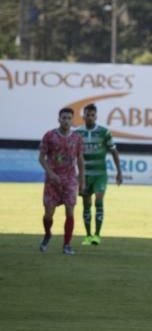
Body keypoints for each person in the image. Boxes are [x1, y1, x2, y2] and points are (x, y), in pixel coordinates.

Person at [38, 107, 85, 255]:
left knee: (70, 212)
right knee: (48, 214)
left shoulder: (77, 138)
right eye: (63, 118)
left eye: (69, 118)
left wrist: (82, 181)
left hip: (70, 180)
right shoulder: (50, 136)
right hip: (53, 181)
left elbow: (80, 160)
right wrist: (51, 173)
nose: (66, 120)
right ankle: (47, 234)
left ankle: (67, 245)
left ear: (72, 120)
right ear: (59, 119)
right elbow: (41, 158)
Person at [76, 103, 123, 245]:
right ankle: (88, 235)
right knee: (86, 205)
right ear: (83, 116)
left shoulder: (104, 132)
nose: (90, 117)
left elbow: (114, 151)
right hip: (85, 175)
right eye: (87, 115)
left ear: (96, 116)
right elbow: (74, 155)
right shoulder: (77, 133)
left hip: (100, 174)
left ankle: (97, 235)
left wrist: (119, 172)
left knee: (98, 202)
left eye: (92, 115)